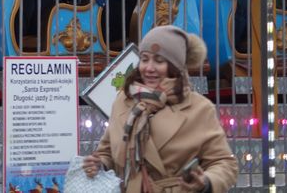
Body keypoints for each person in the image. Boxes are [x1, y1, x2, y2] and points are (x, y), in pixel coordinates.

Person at [82, 25, 238, 192]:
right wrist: (99, 164)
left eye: (159, 60)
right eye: (144, 58)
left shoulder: (199, 108)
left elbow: (225, 163)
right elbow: (107, 151)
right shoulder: (124, 100)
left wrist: (206, 182)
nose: (149, 68)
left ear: (174, 66)